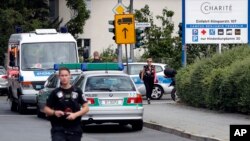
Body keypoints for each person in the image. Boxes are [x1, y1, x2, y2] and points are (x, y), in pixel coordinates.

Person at [44, 67, 89, 141]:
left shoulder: (77, 91)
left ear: (70, 76)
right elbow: (46, 109)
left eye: (66, 75)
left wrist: (75, 115)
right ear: (59, 77)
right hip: (58, 129)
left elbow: (86, 108)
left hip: (74, 128)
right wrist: (54, 112)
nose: (64, 78)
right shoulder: (55, 92)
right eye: (62, 76)